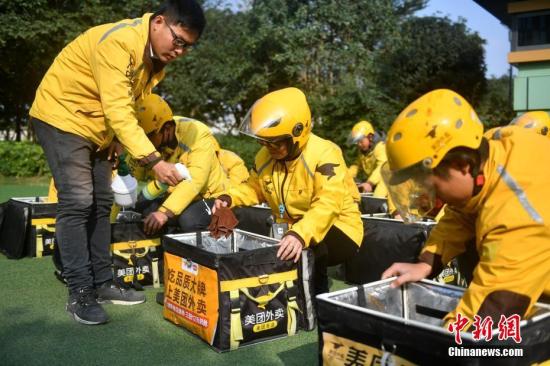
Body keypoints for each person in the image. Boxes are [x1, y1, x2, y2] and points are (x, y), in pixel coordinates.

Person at [29, 0, 206, 325]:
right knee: (78, 201)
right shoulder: (119, 42)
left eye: (188, 47)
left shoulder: (153, 60)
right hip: (61, 116)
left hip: (97, 128)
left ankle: (103, 282)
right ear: (159, 22)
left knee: (101, 202)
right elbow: (120, 110)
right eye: (178, 40)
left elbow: (127, 104)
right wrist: (154, 161)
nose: (180, 51)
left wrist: (115, 140)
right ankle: (80, 292)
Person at [381, 89, 550, 329]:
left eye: (430, 185)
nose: (430, 196)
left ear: (461, 165)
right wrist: (428, 261)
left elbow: (493, 307)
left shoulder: (520, 211)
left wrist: (441, 340)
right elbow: (461, 213)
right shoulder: (490, 151)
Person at [213, 87, 363, 295]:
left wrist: (300, 234)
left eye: (274, 142)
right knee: (280, 245)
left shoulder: (325, 154)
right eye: (262, 141)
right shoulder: (264, 157)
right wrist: (229, 197)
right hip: (293, 228)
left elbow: (328, 204)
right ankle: (288, 292)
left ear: (298, 132)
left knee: (310, 246)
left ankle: (316, 300)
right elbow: (254, 188)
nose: (268, 147)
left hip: (340, 227)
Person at [129, 94, 231, 235]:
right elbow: (132, 173)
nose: (144, 143)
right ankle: (163, 253)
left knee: (189, 220)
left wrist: (164, 213)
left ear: (167, 128)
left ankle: (201, 253)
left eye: (149, 137)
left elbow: (195, 180)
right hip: (180, 196)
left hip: (213, 196)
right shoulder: (151, 143)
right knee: (142, 208)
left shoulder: (197, 133)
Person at [347, 120, 389, 197]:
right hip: (375, 181)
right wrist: (345, 176)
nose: (359, 144)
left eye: (361, 141)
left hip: (388, 180)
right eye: (357, 142)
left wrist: (369, 183)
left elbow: (383, 166)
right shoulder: (363, 151)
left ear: (370, 137)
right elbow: (356, 166)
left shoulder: (380, 147)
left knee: (376, 199)